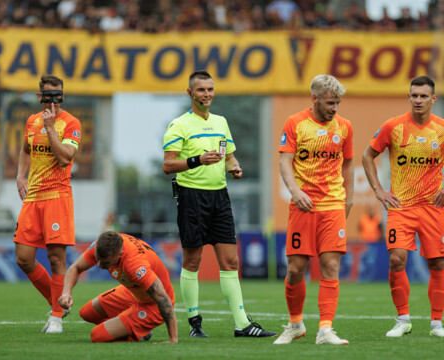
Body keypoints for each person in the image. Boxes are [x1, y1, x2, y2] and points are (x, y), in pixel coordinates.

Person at [162, 70, 276, 338]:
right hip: (191, 196)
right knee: (193, 260)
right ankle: (194, 324)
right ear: (189, 93)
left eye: (210, 89)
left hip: (220, 196)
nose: (207, 94)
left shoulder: (221, 122)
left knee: (231, 260)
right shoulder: (179, 125)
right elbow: (167, 165)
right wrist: (197, 161)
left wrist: (235, 167)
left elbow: (229, 157)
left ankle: (242, 324)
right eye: (201, 90)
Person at [274, 74, 354, 346]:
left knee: (330, 265)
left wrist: (349, 198)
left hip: (332, 204)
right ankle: (296, 324)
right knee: (296, 269)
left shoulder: (344, 127)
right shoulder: (295, 123)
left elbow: (348, 164)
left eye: (338, 102)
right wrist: (296, 192)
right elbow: (285, 162)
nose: (335, 108)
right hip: (303, 206)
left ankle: (325, 329)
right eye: (331, 102)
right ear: (315, 98)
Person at [362, 75, 444, 338]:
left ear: (433, 99)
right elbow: (367, 155)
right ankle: (403, 320)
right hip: (401, 207)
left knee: (438, 264)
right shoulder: (393, 127)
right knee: (397, 260)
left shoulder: (441, 129)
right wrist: (378, 191)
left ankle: (437, 323)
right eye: (414, 95)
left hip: (433, 208)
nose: (418, 100)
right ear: (408, 97)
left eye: (423, 96)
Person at [14, 74, 81, 334]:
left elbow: (65, 158)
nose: (53, 101)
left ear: (62, 96)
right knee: (23, 258)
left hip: (57, 196)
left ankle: (56, 318)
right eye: (48, 96)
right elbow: (25, 149)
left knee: (56, 259)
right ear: (40, 96)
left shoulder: (71, 123)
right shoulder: (31, 121)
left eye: (58, 96)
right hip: (33, 198)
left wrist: (51, 128)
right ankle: (58, 303)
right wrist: (20, 175)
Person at [58, 231, 178, 343]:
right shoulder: (103, 245)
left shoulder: (134, 264)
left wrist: (173, 339)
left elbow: (163, 298)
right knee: (86, 313)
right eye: (98, 260)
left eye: (105, 262)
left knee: (97, 335)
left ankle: (133, 332)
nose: (99, 265)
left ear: (119, 254)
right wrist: (66, 293)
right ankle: (134, 331)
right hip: (132, 291)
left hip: (153, 305)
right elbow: (75, 268)